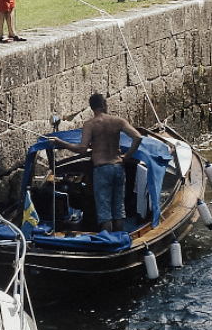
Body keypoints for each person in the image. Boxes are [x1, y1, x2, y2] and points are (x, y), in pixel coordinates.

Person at [49, 93, 144, 233]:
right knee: (119, 211)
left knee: (104, 213)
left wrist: (60, 142)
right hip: (118, 167)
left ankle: (108, 243)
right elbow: (138, 137)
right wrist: (127, 156)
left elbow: (82, 149)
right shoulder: (118, 121)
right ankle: (120, 241)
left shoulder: (90, 125)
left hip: (102, 169)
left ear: (91, 108)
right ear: (104, 105)